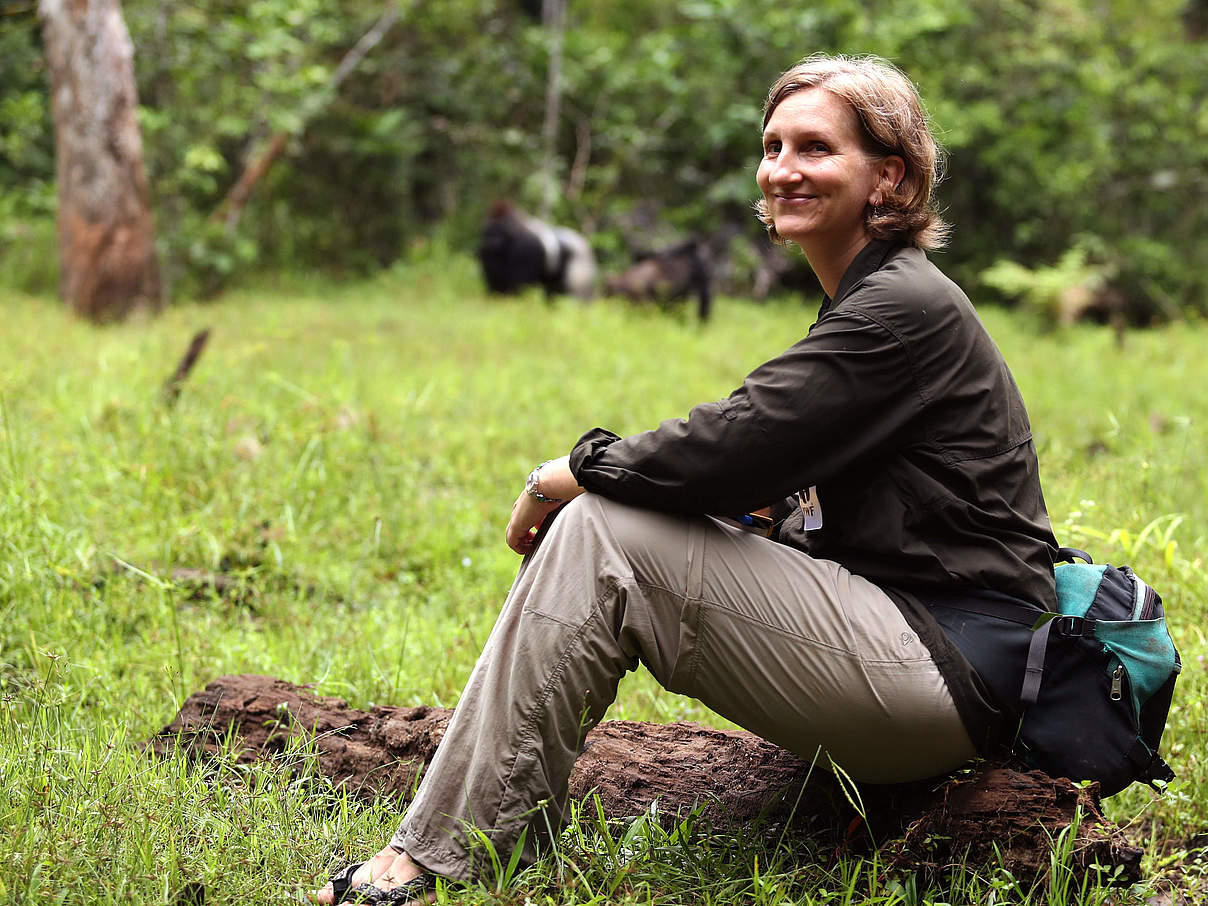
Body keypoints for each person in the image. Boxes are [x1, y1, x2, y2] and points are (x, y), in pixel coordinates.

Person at [313, 53, 1058, 905]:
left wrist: (567, 472)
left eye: (815, 148)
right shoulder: (876, 298)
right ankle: (502, 818)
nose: (783, 168)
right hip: (923, 647)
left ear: (887, 176)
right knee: (614, 524)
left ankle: (437, 860)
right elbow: (768, 478)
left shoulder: (901, 307)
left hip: (947, 667)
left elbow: (731, 444)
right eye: (773, 146)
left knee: (602, 532)